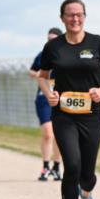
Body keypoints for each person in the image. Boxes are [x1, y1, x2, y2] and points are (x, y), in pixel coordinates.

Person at [37, 1, 100, 199]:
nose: (75, 19)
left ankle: (86, 195)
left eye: (79, 15)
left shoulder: (98, 43)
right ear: (62, 18)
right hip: (64, 115)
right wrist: (49, 93)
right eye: (70, 15)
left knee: (87, 172)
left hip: (92, 114)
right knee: (72, 165)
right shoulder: (53, 47)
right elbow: (42, 76)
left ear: (85, 17)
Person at [29, 28, 64, 182]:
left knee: (59, 135)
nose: (50, 42)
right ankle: (45, 166)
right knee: (48, 134)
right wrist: (38, 75)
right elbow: (32, 71)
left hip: (61, 98)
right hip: (44, 98)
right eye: (48, 39)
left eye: (54, 39)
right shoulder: (42, 55)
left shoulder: (66, 54)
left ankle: (57, 167)